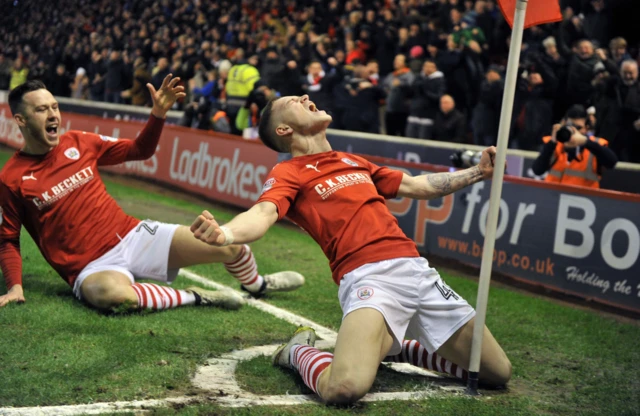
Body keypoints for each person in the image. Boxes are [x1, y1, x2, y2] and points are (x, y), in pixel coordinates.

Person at [190, 94, 512, 404]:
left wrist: (478, 173)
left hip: (418, 272)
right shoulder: (288, 172)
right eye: (293, 101)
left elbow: (417, 186)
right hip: (369, 279)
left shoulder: (353, 161)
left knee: (497, 372)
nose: (304, 96)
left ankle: (396, 348)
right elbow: (263, 213)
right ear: (284, 130)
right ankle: (298, 351)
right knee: (343, 388)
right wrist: (226, 233)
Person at [0, 77, 304, 311]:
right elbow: (8, 239)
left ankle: (258, 285)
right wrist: (15, 286)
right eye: (42, 110)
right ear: (22, 120)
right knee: (108, 295)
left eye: (54, 106)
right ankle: (197, 297)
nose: (53, 114)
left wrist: (158, 114)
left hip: (134, 236)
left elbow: (139, 150)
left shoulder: (79, 141)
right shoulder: (12, 178)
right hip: (90, 267)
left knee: (228, 244)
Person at [531, 105, 617, 189]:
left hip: (582, 199)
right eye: (570, 125)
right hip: (553, 197)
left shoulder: (595, 144)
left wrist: (586, 142)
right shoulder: (555, 143)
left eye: (578, 127)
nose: (573, 130)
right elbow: (537, 170)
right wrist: (552, 142)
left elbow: (612, 162)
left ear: (586, 128)